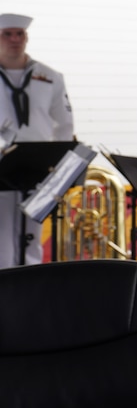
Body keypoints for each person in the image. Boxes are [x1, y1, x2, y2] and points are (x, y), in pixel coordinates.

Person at [0, 13, 74, 268]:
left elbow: (64, 125)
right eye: (7, 34)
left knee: (31, 239)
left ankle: (29, 292)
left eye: (19, 34)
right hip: (1, 169)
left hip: (38, 171)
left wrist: (60, 168)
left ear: (26, 38)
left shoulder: (50, 77)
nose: (14, 40)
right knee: (2, 240)